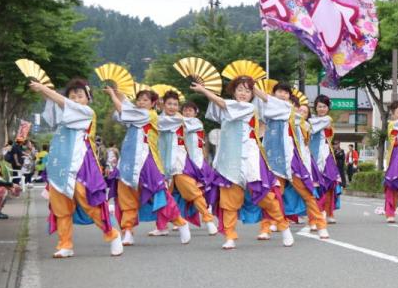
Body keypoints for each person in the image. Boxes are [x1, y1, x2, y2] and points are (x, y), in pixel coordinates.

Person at [191, 75, 293, 250]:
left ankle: (284, 227)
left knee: (266, 198)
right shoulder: (228, 106)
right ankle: (230, 236)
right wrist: (207, 89)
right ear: (233, 91)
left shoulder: (248, 107)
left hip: (250, 159)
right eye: (240, 89)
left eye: (247, 90)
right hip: (229, 160)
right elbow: (218, 107)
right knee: (229, 201)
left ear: (252, 94)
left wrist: (204, 91)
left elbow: (222, 103)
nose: (243, 93)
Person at [28, 78, 123, 258]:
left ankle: (113, 234)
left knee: (90, 202)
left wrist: (44, 89)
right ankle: (65, 244)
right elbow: (55, 111)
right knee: (60, 206)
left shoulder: (87, 112)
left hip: (81, 163)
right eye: (72, 96)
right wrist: (44, 93)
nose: (76, 99)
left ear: (88, 98)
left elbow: (64, 104)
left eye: (80, 96)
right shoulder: (66, 112)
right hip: (60, 164)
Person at [105, 86, 190, 246]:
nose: (141, 102)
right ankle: (127, 231)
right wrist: (118, 93)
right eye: (139, 100)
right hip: (127, 162)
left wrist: (112, 96)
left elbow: (123, 110)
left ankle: (180, 222)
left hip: (145, 160)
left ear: (153, 103)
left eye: (145, 100)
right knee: (125, 197)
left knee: (159, 194)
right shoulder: (135, 114)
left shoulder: (149, 114)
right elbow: (126, 108)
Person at [258, 83, 328, 239]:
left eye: (286, 93)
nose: (283, 95)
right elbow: (265, 104)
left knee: (307, 192)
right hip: (274, 161)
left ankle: (320, 224)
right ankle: (267, 227)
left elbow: (305, 142)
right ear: (273, 94)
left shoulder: (295, 117)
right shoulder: (269, 111)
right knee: (272, 195)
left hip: (293, 160)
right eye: (279, 92)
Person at [153, 90, 219, 236]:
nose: (172, 107)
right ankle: (162, 226)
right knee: (161, 195)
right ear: (164, 104)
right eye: (169, 104)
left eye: (175, 104)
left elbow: (193, 125)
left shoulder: (187, 121)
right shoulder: (158, 119)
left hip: (180, 164)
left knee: (193, 192)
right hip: (162, 165)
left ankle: (208, 220)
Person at [305, 96, 341, 226]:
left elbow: (313, 127)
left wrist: (306, 122)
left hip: (326, 155)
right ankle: (316, 213)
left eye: (324, 106)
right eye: (319, 106)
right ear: (315, 108)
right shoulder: (310, 121)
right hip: (312, 156)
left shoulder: (327, 120)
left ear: (328, 108)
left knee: (330, 184)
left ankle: (329, 212)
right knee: (315, 186)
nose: (322, 109)